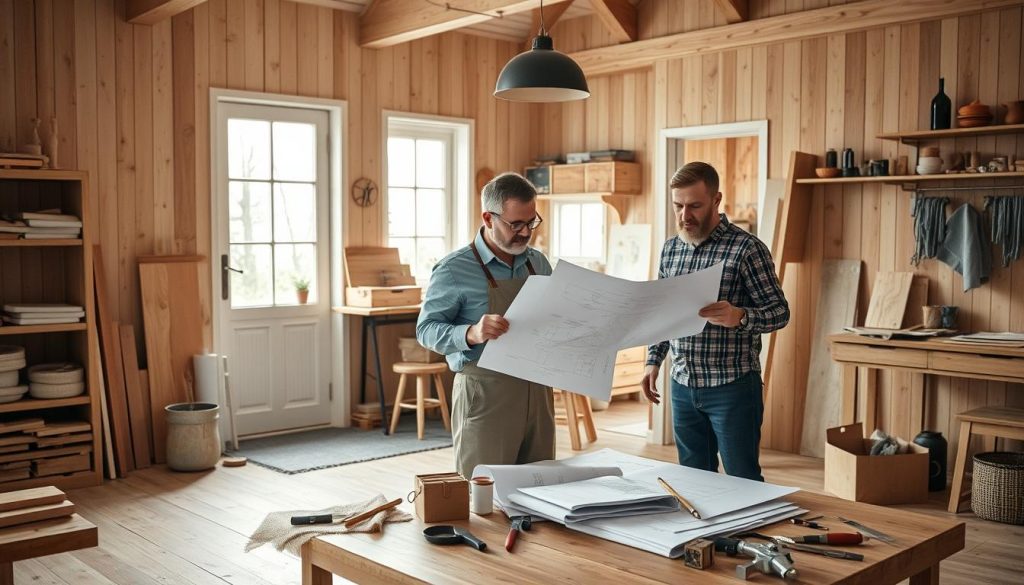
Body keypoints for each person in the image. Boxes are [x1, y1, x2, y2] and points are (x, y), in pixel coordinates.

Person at [641, 162, 789, 481]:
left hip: (732, 386)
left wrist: (741, 316)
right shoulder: (670, 250)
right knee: (695, 480)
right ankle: (708, 535)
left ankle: (747, 533)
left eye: (694, 205)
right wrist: (652, 361)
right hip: (682, 384)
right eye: (678, 206)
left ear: (716, 200)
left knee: (742, 480)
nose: (684, 216)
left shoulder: (747, 249)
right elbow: (663, 312)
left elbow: (780, 311)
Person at [416, 172, 555, 479]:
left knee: (542, 489)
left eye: (531, 222)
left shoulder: (539, 263)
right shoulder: (454, 269)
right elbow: (425, 330)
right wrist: (471, 332)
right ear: (488, 218)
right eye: (515, 224)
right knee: (484, 497)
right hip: (486, 395)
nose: (524, 232)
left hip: (538, 392)